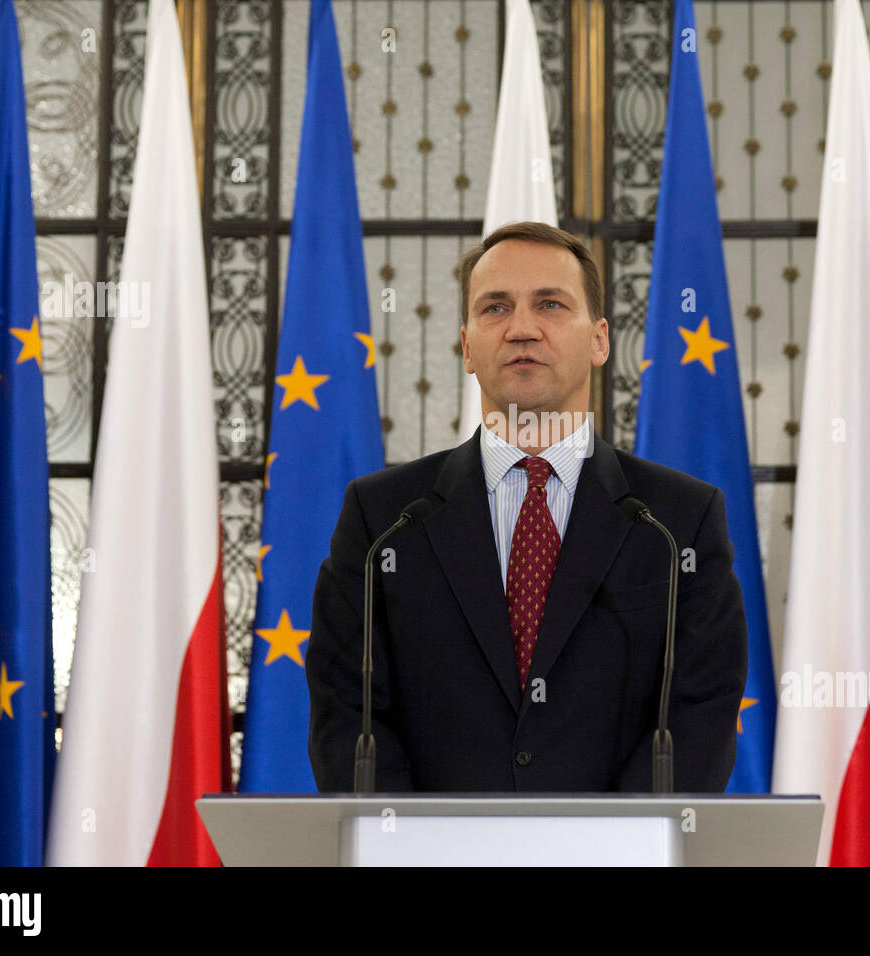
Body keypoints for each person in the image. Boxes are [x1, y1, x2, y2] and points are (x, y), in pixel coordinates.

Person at [306, 221, 747, 792]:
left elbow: (700, 715)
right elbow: (347, 715)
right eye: (495, 308)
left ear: (599, 340)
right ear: (466, 346)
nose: (521, 328)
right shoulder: (384, 520)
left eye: (551, 305)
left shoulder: (678, 522)